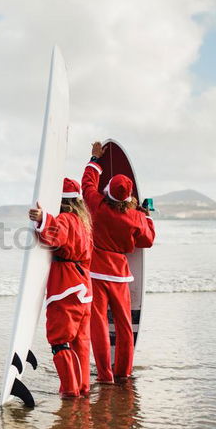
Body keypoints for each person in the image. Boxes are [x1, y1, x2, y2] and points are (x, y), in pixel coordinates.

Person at [82, 141, 155, 383]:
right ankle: (123, 371)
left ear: (108, 192)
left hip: (95, 273)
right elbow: (148, 240)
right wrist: (146, 218)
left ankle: (104, 375)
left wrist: (95, 160)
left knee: (99, 323)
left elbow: (87, 185)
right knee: (124, 324)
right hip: (120, 275)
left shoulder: (98, 207)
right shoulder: (134, 218)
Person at [28, 178, 93, 398]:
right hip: (84, 289)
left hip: (66, 288)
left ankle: (69, 391)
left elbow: (56, 233)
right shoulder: (84, 223)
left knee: (59, 340)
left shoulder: (66, 220)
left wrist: (42, 218)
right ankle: (83, 387)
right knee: (80, 341)